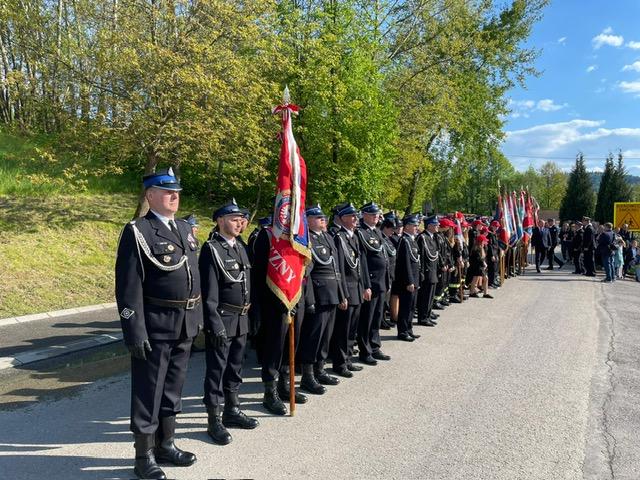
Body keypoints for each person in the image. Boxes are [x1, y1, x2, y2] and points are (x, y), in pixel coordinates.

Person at [115, 167, 200, 480]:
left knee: (173, 389)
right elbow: (128, 287)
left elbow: (194, 278)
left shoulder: (184, 228)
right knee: (148, 393)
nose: (174, 196)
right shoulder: (138, 231)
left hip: (185, 324)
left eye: (176, 191)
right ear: (150, 195)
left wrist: (198, 319)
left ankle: (166, 444)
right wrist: (134, 331)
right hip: (155, 326)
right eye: (167, 191)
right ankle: (144, 456)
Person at [199, 200, 259, 446]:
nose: (239, 223)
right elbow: (209, 294)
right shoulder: (212, 249)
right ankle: (214, 420)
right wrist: (214, 324)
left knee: (235, 367)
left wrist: (252, 317)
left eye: (241, 220)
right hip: (223, 318)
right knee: (217, 370)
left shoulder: (241, 247)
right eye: (234, 219)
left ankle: (232, 410)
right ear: (220, 220)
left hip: (241, 318)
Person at [297, 205, 344, 392]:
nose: (323, 220)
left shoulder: (328, 237)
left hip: (332, 293)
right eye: (318, 218)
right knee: (313, 337)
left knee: (325, 336)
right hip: (317, 295)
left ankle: (320, 369)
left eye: (323, 217)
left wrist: (342, 294)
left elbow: (337, 269)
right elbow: (305, 274)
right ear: (307, 220)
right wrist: (309, 299)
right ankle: (307, 375)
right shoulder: (304, 240)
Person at [330, 203, 370, 377]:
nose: (355, 219)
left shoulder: (354, 237)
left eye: (356, 216)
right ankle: (340, 363)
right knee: (343, 329)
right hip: (347, 290)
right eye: (352, 216)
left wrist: (366, 286)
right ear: (343, 218)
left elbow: (361, 264)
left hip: (357, 288)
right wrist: (342, 294)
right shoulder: (339, 238)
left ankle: (347, 360)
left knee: (352, 328)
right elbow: (339, 268)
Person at [356, 202, 392, 364]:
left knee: (377, 316)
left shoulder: (376, 231)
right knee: (367, 318)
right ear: (364, 215)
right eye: (372, 214)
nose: (376, 217)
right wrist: (366, 285)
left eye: (377, 214)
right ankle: (365, 351)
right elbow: (362, 261)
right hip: (371, 281)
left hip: (381, 281)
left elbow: (384, 257)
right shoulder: (361, 232)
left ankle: (375, 347)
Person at [395, 213, 422, 341]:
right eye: (414, 225)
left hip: (414, 279)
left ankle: (409, 329)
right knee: (405, 307)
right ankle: (403, 331)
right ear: (406, 226)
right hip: (407, 281)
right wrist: (409, 281)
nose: (417, 227)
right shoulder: (404, 241)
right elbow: (405, 263)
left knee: (411, 307)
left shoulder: (411, 240)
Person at [416, 215, 440, 327]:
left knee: (430, 295)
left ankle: (428, 315)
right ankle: (423, 317)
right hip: (426, 271)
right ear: (429, 226)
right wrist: (421, 272)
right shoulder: (422, 238)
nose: (438, 226)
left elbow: (434, 255)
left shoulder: (431, 237)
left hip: (433, 270)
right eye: (435, 225)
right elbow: (421, 256)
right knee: (425, 296)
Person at [468, 234, 492, 298]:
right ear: (481, 241)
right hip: (477, 266)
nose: (485, 242)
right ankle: (472, 292)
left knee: (482, 278)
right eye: (484, 241)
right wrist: (483, 263)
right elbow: (478, 258)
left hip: (480, 266)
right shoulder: (476, 249)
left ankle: (485, 293)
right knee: (476, 278)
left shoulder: (481, 248)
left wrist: (484, 263)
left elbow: (482, 258)